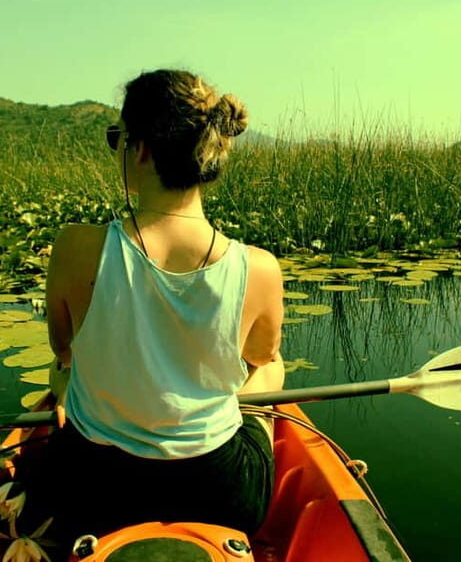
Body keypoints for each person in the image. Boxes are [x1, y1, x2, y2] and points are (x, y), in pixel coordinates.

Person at [40, 69, 284, 549]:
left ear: (143, 148)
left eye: (118, 139)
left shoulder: (75, 248)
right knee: (270, 366)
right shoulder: (259, 268)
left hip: (95, 491)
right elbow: (261, 358)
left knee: (64, 372)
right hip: (221, 495)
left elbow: (63, 349)